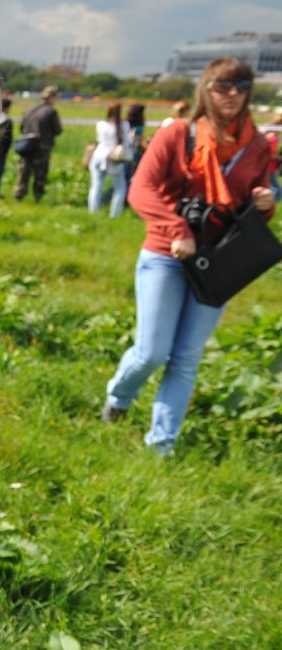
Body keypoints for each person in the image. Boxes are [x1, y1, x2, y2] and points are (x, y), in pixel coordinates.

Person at [102, 58, 277, 453]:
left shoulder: (256, 145)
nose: (232, 93)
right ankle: (119, 397)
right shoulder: (178, 134)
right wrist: (177, 229)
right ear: (205, 88)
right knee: (151, 352)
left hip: (220, 261)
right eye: (222, 85)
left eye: (241, 84)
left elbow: (257, 202)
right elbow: (140, 190)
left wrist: (265, 204)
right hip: (166, 253)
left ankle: (161, 445)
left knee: (185, 358)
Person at [14, 85, 63, 200]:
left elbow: (21, 127)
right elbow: (57, 130)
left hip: (26, 145)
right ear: (51, 97)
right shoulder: (51, 111)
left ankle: (19, 193)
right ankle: (38, 196)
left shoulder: (29, 109)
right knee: (40, 173)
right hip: (42, 146)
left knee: (23, 171)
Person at [87, 101, 132, 217]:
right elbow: (128, 141)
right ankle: (115, 214)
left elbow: (100, 139)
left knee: (96, 186)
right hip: (113, 157)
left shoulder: (101, 124)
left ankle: (93, 212)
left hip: (99, 155)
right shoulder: (124, 125)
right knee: (120, 188)